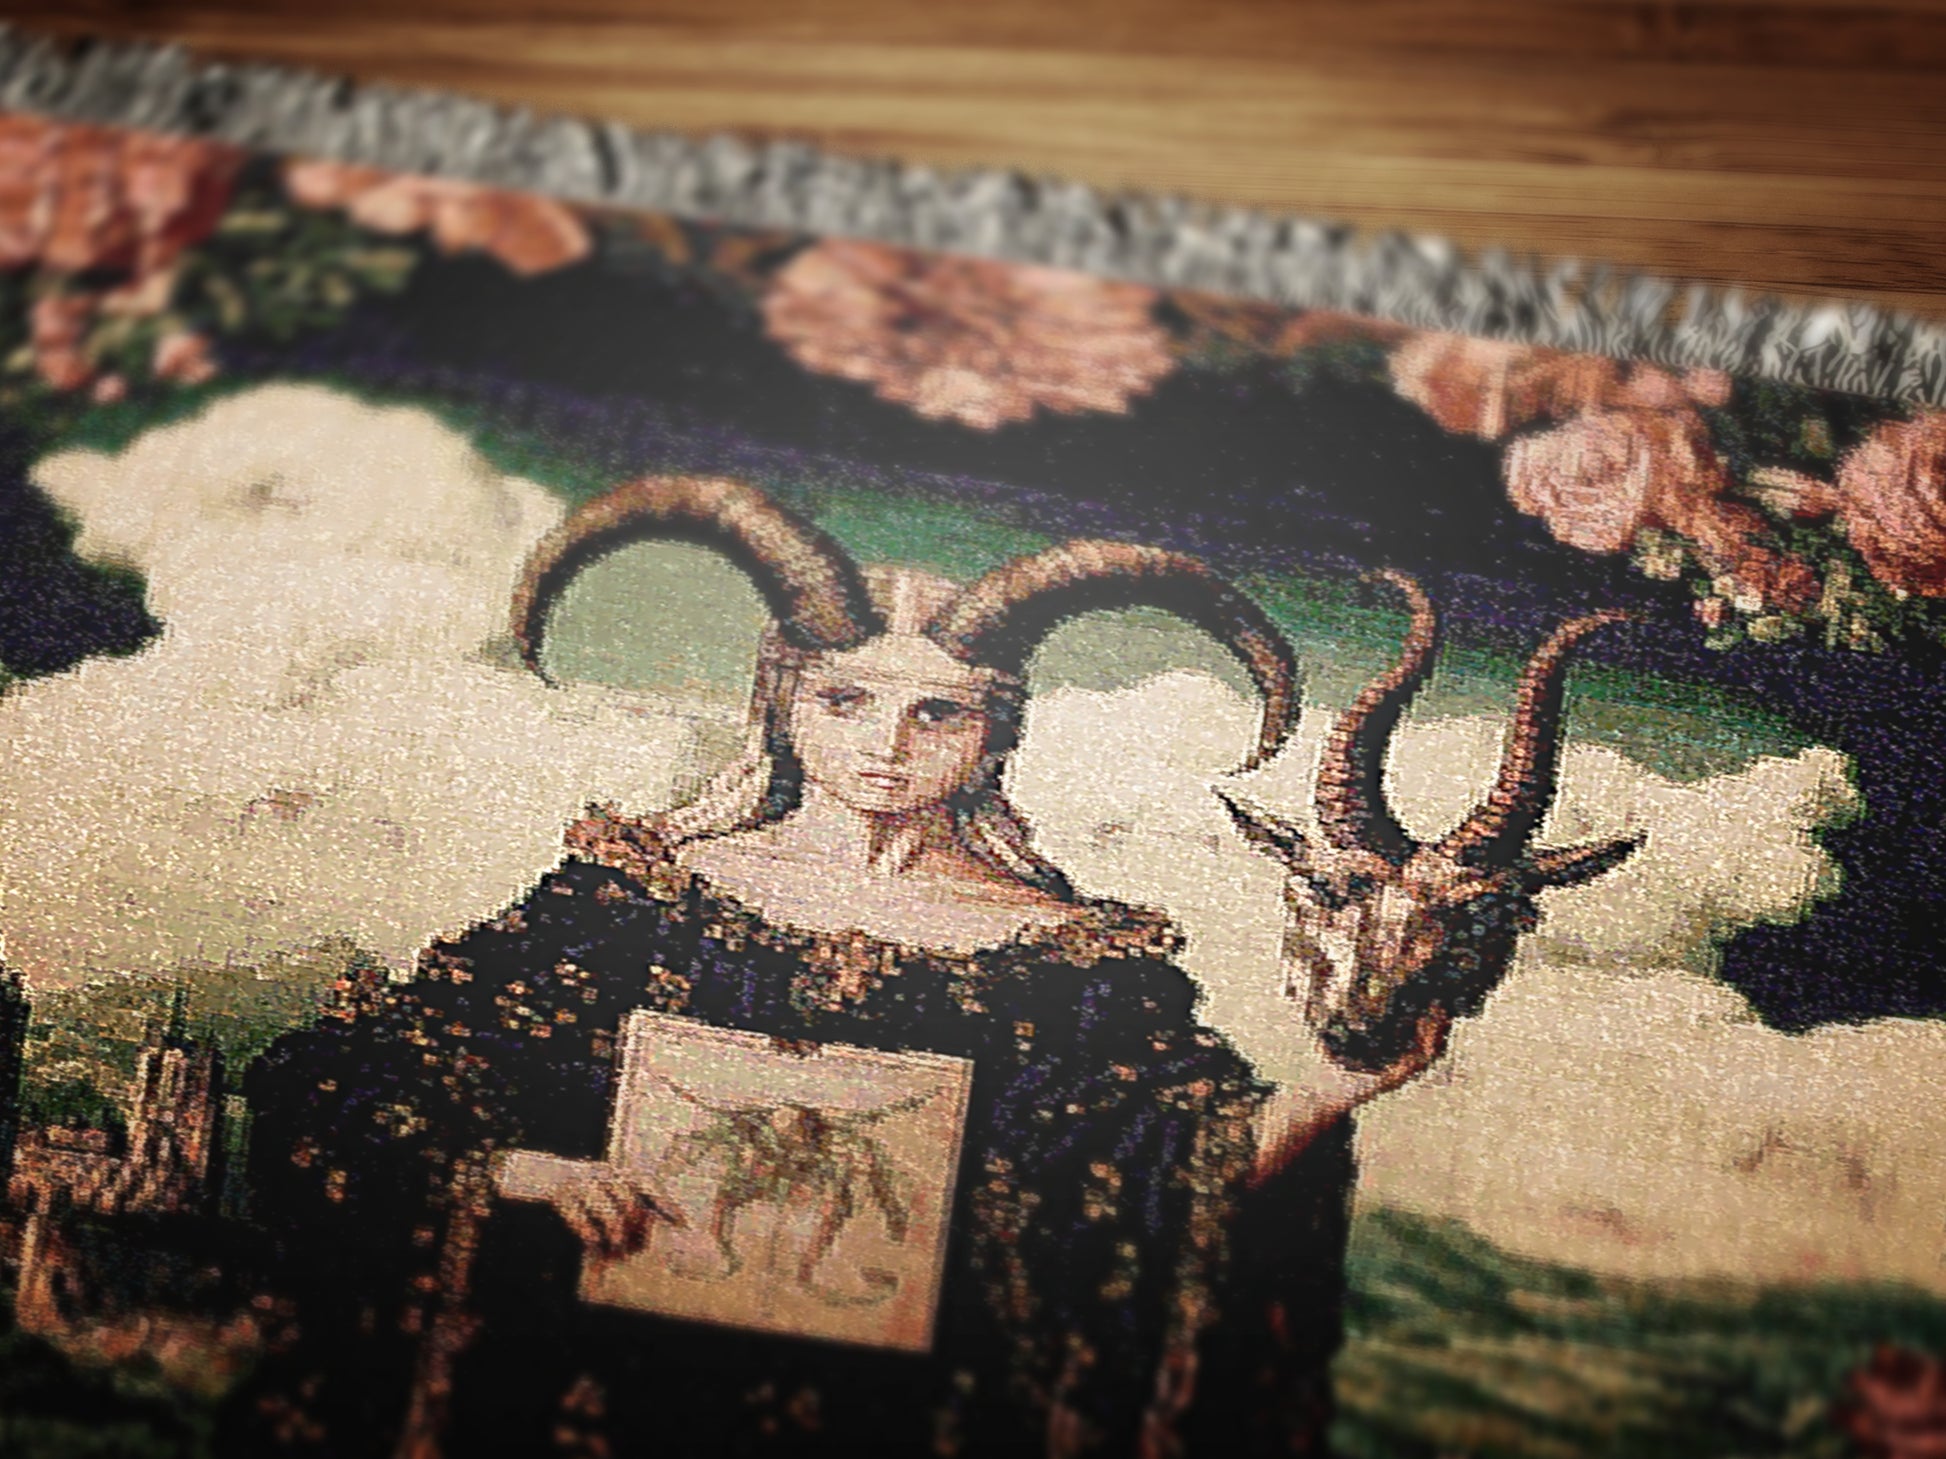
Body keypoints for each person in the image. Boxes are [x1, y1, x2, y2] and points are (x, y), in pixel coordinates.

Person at [225, 476, 1447, 1458]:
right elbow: (351, 1080)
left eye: (938, 713)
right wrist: (521, 1168)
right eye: (846, 700)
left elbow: (1164, 1173)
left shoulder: (1066, 959)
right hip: (596, 1390)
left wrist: (1338, 1087)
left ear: (994, 734)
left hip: (893, 1414)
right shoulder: (637, 899)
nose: (885, 745)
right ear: (783, 704)